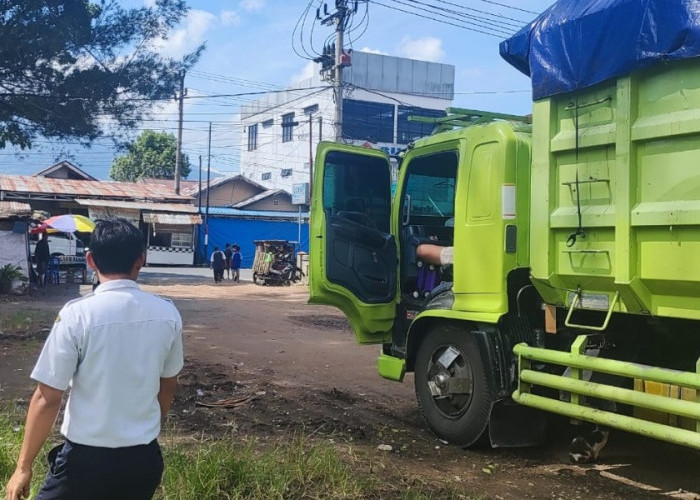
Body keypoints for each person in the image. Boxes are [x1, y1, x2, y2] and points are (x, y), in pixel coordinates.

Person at [5, 218, 183, 500]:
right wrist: (144, 427)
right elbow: (168, 385)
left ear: (90, 260)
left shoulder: (78, 315)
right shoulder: (167, 314)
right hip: (143, 459)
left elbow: (47, 397)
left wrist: (23, 467)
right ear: (141, 260)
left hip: (84, 463)